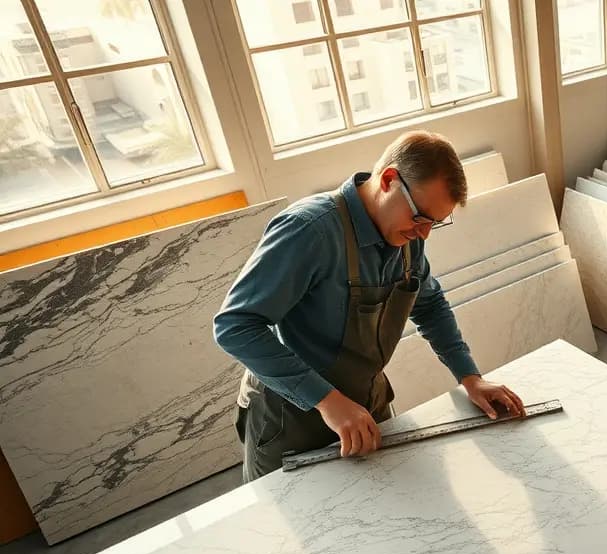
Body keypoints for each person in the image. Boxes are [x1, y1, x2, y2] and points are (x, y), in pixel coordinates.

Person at [214, 130, 524, 482]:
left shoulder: (407, 236)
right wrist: (328, 401)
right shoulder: (309, 230)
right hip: (290, 417)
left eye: (435, 223)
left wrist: (470, 378)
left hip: (365, 404)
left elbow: (430, 304)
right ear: (390, 180)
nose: (425, 235)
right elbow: (234, 326)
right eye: (421, 218)